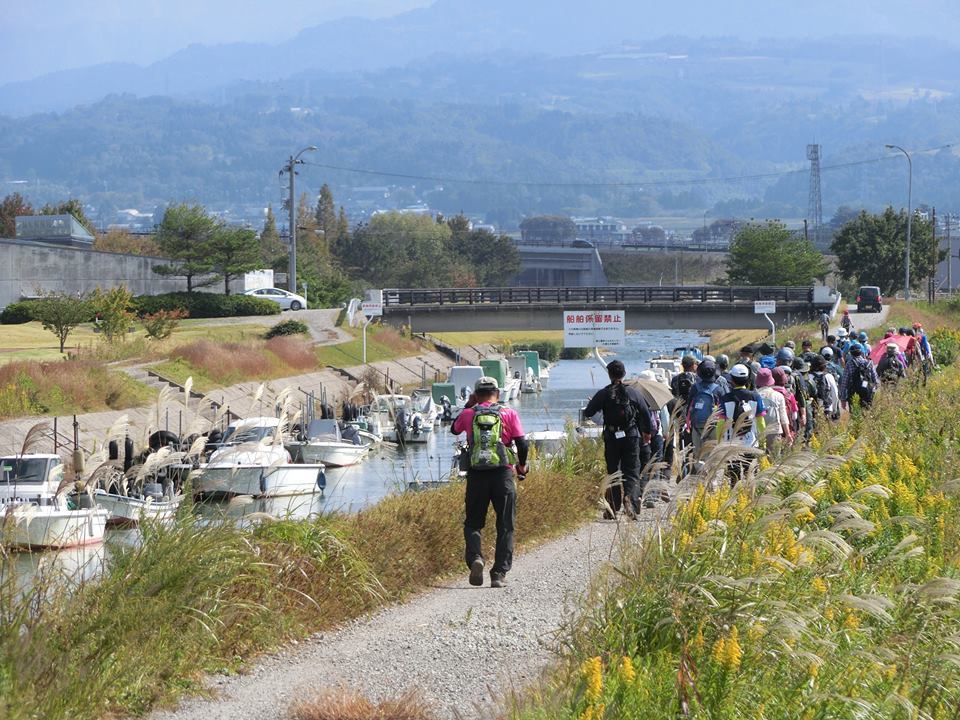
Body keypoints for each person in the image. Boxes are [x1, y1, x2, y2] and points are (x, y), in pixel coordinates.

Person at [452, 376, 529, 589]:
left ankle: (476, 558)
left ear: (476, 394)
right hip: (502, 475)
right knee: (505, 525)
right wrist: (521, 466)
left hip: (477, 475)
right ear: (498, 392)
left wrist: (469, 405)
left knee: (473, 523)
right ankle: (498, 573)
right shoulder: (509, 413)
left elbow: (454, 430)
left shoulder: (469, 414)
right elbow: (522, 444)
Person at [584, 360, 654, 515]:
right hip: (631, 436)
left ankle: (613, 508)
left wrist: (602, 409)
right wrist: (647, 433)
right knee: (632, 471)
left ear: (609, 374)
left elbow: (588, 412)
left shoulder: (603, 393)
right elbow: (645, 414)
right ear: (624, 374)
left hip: (611, 437)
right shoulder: (634, 393)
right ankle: (631, 504)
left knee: (613, 472)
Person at [717, 364, 767, 485]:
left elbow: (720, 424)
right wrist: (762, 442)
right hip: (751, 443)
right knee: (751, 477)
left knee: (733, 479)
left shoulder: (725, 398)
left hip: (731, 444)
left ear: (731, 380)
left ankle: (734, 501)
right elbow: (761, 421)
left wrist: (719, 443)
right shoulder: (755, 396)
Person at [686, 359, 725, 463]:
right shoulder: (718, 389)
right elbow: (724, 410)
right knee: (712, 455)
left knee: (698, 455)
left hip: (697, 426)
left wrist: (689, 424)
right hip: (714, 426)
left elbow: (689, 407)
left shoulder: (695, 388)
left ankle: (698, 476)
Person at [755, 367, 791, 458]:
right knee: (774, 459)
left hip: (757, 431)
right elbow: (783, 416)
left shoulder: (753, 396)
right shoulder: (778, 396)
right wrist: (788, 434)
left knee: (760, 459)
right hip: (775, 431)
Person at [839, 343, 879, 410]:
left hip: (853, 393)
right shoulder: (869, 363)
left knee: (855, 414)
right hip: (867, 392)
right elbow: (875, 380)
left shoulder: (849, 364)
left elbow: (844, 383)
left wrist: (843, 399)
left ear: (851, 353)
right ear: (861, 352)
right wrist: (873, 391)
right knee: (867, 412)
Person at [809, 355, 840, 425]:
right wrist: (834, 408)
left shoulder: (809, 377)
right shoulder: (829, 376)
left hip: (813, 409)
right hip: (827, 408)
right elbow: (835, 394)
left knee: (814, 431)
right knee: (827, 430)